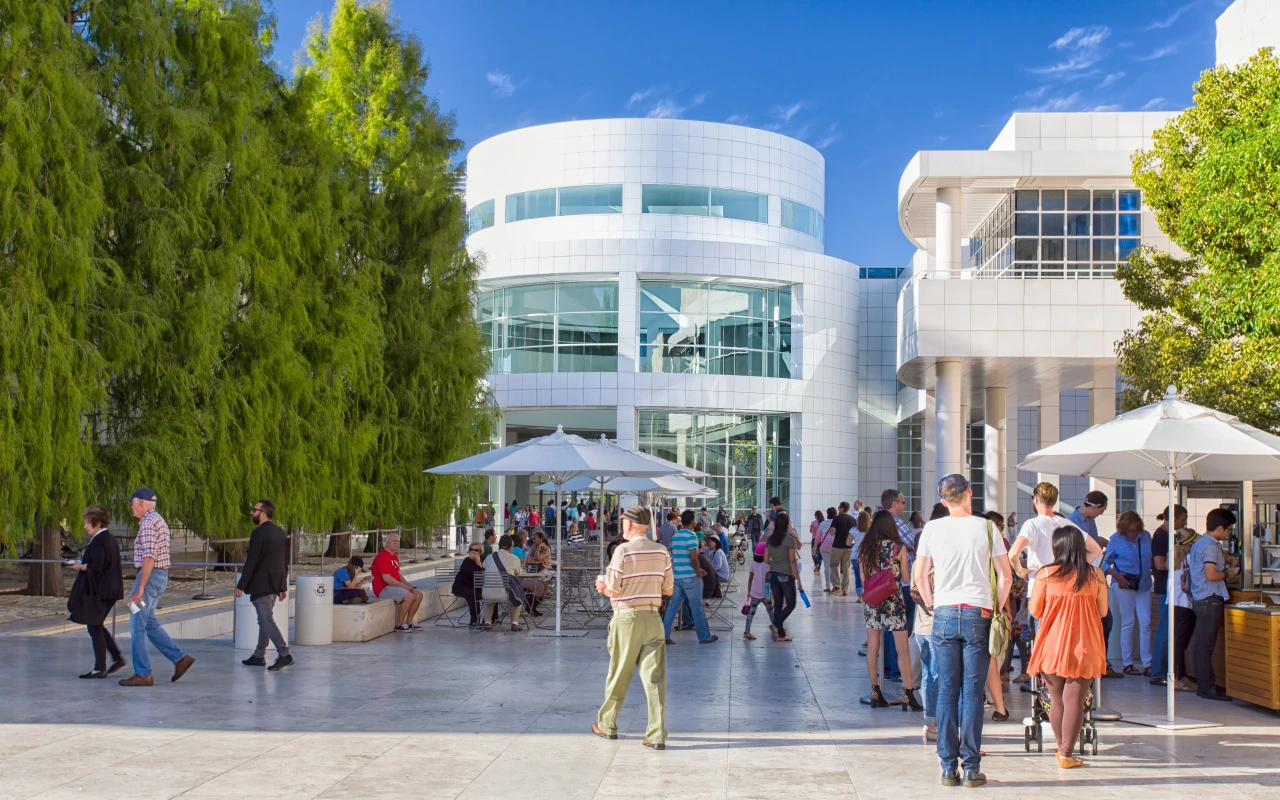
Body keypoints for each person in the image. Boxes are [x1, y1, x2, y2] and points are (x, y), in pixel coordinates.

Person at [916, 474, 1011, 789]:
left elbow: (919, 575)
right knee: (971, 693)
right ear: (970, 493)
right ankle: (970, 767)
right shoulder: (987, 527)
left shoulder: (933, 528)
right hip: (978, 613)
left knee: (946, 690)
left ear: (944, 500)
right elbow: (1006, 576)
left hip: (943, 614)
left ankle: (947, 768)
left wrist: (932, 604)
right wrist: (994, 607)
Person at [1027, 526, 1109, 769]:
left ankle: (1062, 748)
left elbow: (1034, 610)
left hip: (1052, 641)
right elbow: (1103, 611)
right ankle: (1066, 754)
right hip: (1085, 644)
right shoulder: (1096, 575)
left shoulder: (1046, 574)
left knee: (1056, 698)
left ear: (1057, 547)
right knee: (1075, 699)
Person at [593, 507, 674, 750]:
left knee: (619, 672)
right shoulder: (661, 551)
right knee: (655, 679)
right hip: (653, 617)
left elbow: (614, 589)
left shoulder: (622, 551)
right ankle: (657, 733)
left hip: (627, 617)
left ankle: (608, 724)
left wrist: (601, 587)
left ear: (629, 525)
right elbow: (668, 589)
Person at [118, 488, 195, 687]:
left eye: (132, 502)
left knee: (137, 627)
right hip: (159, 576)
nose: (131, 506)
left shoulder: (148, 524)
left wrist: (139, 589)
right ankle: (180, 659)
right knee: (149, 623)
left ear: (141, 503)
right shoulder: (157, 520)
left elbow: (149, 557)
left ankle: (143, 673)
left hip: (150, 577)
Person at [1008, 482, 1103, 620]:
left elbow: (1012, 554)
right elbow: (1097, 550)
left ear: (1036, 499)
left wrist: (1020, 571)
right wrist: (1073, 568)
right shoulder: (1066, 523)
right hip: (1064, 590)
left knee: (1041, 638)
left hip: (1040, 589)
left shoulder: (1032, 524)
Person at [860, 509, 919, 710]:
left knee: (873, 647)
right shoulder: (898, 547)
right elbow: (905, 578)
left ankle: (875, 691)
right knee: (902, 649)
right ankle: (907, 694)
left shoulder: (865, 547)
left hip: (873, 603)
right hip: (893, 602)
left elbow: (863, 579)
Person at [67, 505, 125, 679]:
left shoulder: (100, 541)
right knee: (96, 624)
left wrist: (79, 566)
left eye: (87, 523)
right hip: (109, 590)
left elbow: (97, 566)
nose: (85, 526)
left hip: (104, 591)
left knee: (94, 626)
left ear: (97, 523)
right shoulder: (107, 539)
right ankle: (116, 658)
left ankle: (100, 668)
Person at [235, 500, 293, 670]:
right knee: (264, 620)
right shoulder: (281, 533)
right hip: (275, 584)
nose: (251, 513)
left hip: (261, 584)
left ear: (262, 514)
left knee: (266, 620)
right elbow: (284, 562)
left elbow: (251, 561)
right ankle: (259, 655)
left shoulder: (258, 533)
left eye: (254, 510)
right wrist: (282, 586)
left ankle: (284, 654)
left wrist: (241, 584)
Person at [1189, 507, 1239, 701]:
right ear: (1219, 528)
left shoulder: (1200, 543)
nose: (1228, 534)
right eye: (1228, 530)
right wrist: (1229, 574)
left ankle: (1206, 685)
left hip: (1201, 598)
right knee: (1205, 646)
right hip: (1210, 598)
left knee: (1203, 645)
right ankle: (1206, 687)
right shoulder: (1210, 547)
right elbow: (1211, 575)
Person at [910, 501, 949, 744]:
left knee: (928, 674)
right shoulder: (940, 560)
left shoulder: (919, 560)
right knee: (938, 676)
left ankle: (929, 721)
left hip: (921, 627)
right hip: (936, 625)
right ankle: (934, 723)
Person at [1101, 510, 1154, 675]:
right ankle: (1128, 662)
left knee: (1146, 622)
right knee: (1128, 621)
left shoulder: (1145, 536)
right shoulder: (1116, 539)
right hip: (1123, 583)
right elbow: (1103, 563)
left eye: (1135, 530)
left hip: (1143, 583)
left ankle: (1148, 663)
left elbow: (1150, 558)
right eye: (1129, 531)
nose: (1133, 534)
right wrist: (1115, 574)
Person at [663, 510, 717, 644]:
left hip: (678, 576)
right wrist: (698, 571)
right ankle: (704, 636)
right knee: (697, 607)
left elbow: (678, 556)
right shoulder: (692, 536)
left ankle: (664, 635)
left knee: (672, 607)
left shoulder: (676, 536)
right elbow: (693, 557)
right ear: (692, 521)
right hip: (691, 578)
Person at [1149, 503, 1188, 686]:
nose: (1184, 523)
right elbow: (1159, 564)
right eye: (1183, 519)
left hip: (1169, 588)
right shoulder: (1162, 536)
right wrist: (1180, 564)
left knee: (1167, 631)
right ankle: (1158, 672)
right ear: (1174, 518)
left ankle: (1161, 670)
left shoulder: (1167, 535)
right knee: (1165, 632)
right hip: (1166, 588)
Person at [882, 489, 918, 685]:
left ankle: (888, 667)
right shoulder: (898, 524)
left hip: (884, 584)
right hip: (902, 582)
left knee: (888, 627)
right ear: (894, 503)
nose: (905, 506)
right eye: (903, 502)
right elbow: (914, 544)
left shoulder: (879, 525)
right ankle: (897, 669)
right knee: (902, 628)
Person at [1169, 526, 1201, 692]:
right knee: (1180, 643)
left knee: (1177, 642)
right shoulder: (1190, 557)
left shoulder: (1174, 555)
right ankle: (1177, 678)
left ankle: (1181, 675)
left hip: (1173, 602)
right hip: (1185, 603)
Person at [372, 533, 425, 632]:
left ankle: (409, 623)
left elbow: (398, 574)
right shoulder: (383, 556)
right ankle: (399, 625)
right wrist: (404, 587)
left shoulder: (394, 557)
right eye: (393, 541)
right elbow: (386, 578)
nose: (396, 543)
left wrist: (407, 584)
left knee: (418, 595)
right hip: (383, 588)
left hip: (394, 586)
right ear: (387, 543)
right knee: (409, 596)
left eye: (397, 541)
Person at [765, 511, 803, 642]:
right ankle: (777, 624)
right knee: (791, 604)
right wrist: (799, 580)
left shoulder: (771, 539)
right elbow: (792, 561)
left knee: (778, 604)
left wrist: (775, 563)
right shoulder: (789, 540)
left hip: (774, 575)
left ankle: (781, 634)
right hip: (786, 575)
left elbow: (765, 559)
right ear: (787, 525)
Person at [482, 534, 527, 632]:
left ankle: (487, 622)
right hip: (505, 594)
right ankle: (514, 623)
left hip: (487, 594)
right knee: (517, 594)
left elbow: (484, 567)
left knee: (490, 596)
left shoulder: (490, 557)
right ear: (511, 547)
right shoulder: (514, 558)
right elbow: (518, 573)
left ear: (499, 546)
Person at [451, 543, 487, 628]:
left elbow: (482, 576)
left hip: (473, 587)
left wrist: (478, 562)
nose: (473, 552)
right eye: (471, 549)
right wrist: (478, 562)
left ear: (480, 552)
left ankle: (490, 619)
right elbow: (477, 574)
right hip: (461, 586)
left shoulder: (481, 561)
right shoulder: (466, 561)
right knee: (473, 594)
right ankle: (474, 620)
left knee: (490, 593)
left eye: (476, 550)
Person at [743, 542, 770, 640]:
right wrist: (768, 596)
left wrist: (749, 593)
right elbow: (767, 582)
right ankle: (778, 630)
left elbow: (750, 580)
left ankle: (747, 631)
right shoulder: (767, 565)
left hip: (754, 592)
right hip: (764, 593)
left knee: (751, 612)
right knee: (771, 612)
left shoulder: (753, 564)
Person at [828, 502, 856, 596]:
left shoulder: (836, 518)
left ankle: (836, 586)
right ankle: (845, 590)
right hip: (849, 547)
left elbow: (832, 532)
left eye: (839, 508)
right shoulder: (853, 519)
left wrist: (831, 529)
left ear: (842, 509)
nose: (838, 509)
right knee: (846, 568)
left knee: (834, 565)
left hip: (837, 546)